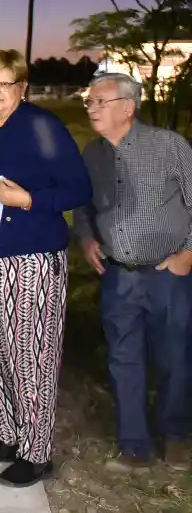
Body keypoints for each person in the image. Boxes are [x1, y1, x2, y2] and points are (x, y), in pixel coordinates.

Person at [0, 49, 91, 487]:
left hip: (29, 260)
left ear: (22, 88)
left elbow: (78, 188)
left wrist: (28, 200)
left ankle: (35, 451)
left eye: (3, 84)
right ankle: (3, 434)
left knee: (30, 355)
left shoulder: (41, 127)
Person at [73, 72, 192, 474]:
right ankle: (134, 446)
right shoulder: (92, 154)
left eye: (99, 102)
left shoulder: (169, 146)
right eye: (89, 102)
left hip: (168, 273)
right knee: (124, 358)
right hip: (118, 274)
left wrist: (188, 254)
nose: (91, 109)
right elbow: (83, 207)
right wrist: (87, 239)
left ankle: (175, 435)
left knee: (174, 356)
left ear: (127, 107)